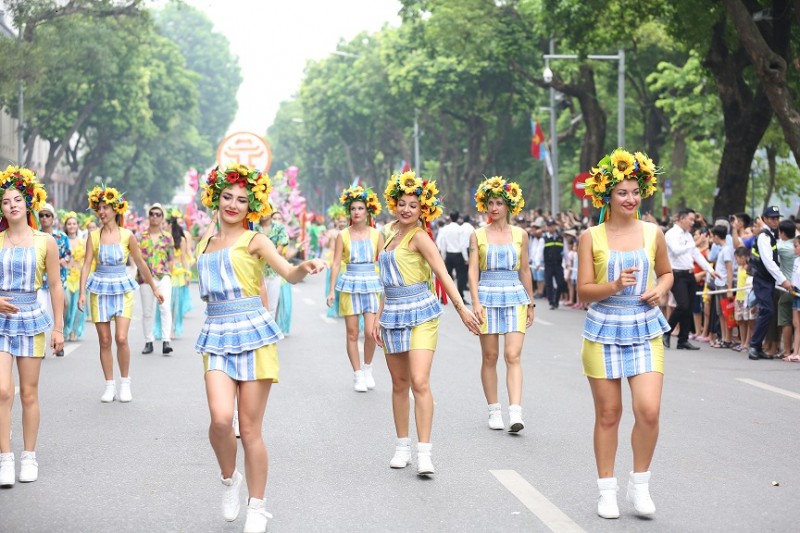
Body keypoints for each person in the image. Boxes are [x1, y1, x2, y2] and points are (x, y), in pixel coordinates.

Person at [196, 163, 325, 532]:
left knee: (249, 429)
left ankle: (257, 505)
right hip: (217, 332)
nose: (233, 204)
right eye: (227, 197)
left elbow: (287, 272)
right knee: (221, 420)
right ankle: (228, 479)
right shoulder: (206, 241)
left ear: (251, 206)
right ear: (215, 199)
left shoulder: (256, 240)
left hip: (252, 332)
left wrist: (305, 266)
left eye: (241, 199)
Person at [577, 149, 673, 519]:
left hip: (645, 325)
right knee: (609, 413)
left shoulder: (654, 232)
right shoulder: (591, 236)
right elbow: (584, 291)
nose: (630, 198)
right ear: (606, 196)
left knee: (648, 411)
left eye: (635, 191)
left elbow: (666, 272)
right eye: (622, 193)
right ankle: (607, 491)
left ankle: (640, 484)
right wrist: (614, 285)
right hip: (603, 326)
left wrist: (661, 289)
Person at [372, 171, 481, 476]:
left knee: (419, 381)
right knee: (398, 384)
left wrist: (462, 310)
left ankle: (424, 452)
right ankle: (402, 446)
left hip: (421, 311)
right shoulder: (386, 234)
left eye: (413, 205)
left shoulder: (420, 236)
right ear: (394, 204)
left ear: (423, 210)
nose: (406, 209)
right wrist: (378, 316)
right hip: (392, 312)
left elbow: (444, 274)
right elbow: (385, 281)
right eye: (402, 203)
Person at [0, 165, 64, 486]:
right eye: (6, 201)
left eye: (17, 200)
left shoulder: (45, 242)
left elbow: (55, 286)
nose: (12, 205)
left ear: (28, 204)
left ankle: (29, 456)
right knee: (1, 390)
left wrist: (58, 328)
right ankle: (5, 458)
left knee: (28, 393)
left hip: (30, 320)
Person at [78, 185, 164, 403]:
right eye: (99, 208)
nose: (102, 211)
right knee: (105, 340)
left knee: (121, 337)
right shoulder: (93, 236)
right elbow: (87, 264)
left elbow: (140, 263)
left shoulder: (127, 235)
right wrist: (81, 293)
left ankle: (125, 382)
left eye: (106, 207)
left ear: (116, 210)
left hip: (122, 288)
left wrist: (154, 287)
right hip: (99, 289)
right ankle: (109, 385)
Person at [468, 176, 534, 432]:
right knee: (490, 355)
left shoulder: (521, 234)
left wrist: (530, 303)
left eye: (499, 203)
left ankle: (515, 412)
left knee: (512, 354)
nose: (494, 208)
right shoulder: (477, 235)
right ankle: (494, 409)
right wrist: (475, 301)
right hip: (486, 295)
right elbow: (473, 270)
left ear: (510, 206)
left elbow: (525, 269)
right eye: (491, 203)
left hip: (515, 295)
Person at [327, 185, 384, 392]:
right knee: (352, 333)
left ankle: (368, 367)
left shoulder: (377, 235)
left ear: (367, 211)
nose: (357, 212)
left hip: (371, 283)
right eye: (353, 209)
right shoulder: (342, 235)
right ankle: (357, 374)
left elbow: (384, 261)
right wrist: (332, 290)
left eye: (360, 208)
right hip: (350, 282)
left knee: (370, 332)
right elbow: (335, 263)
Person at [663, 208, 717, 350]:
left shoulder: (688, 236)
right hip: (676, 274)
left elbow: (696, 254)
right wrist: (696, 242)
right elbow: (676, 250)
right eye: (690, 219)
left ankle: (683, 340)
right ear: (681, 218)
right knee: (682, 304)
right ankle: (666, 331)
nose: (692, 223)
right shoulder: (671, 234)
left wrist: (710, 270)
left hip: (689, 274)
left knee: (689, 308)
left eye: (694, 220)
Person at [748, 206, 794, 360]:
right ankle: (754, 346)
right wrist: (783, 280)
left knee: (767, 311)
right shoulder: (764, 236)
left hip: (767, 280)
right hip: (762, 279)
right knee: (767, 310)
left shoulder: (771, 235)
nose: (775, 221)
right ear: (765, 219)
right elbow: (768, 262)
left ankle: (757, 346)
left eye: (777, 218)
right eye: (772, 218)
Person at [138, 203, 175, 355]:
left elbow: (171, 259)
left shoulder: (167, 237)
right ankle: (149, 341)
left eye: (158, 214)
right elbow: (137, 258)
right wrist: (141, 273)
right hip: (146, 278)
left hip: (162, 276)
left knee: (165, 307)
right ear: (148, 216)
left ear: (162, 218)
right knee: (147, 311)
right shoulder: (141, 237)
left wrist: (170, 275)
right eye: (152, 214)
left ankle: (166, 341)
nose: (154, 217)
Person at [36, 203, 70, 357]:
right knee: (41, 311)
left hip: (57, 280)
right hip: (41, 282)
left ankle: (59, 342)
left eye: (47, 215)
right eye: (41, 215)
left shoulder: (61, 237)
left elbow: (68, 254)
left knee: (58, 311)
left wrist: (62, 260)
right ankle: (41, 347)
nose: (44, 218)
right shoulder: (35, 236)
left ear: (53, 218)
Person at [154, 208, 194, 339]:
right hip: (164, 272)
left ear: (170, 224)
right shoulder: (161, 238)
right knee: (164, 303)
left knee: (175, 304)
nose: (162, 225)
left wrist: (187, 274)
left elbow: (183, 258)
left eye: (164, 223)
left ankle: (172, 329)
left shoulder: (181, 240)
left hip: (177, 275)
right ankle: (162, 328)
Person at [62, 211, 86, 342]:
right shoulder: (62, 240)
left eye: (74, 223)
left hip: (79, 278)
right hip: (66, 277)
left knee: (78, 307)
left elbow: (87, 261)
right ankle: (65, 328)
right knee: (66, 305)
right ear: (65, 226)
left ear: (77, 226)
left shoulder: (83, 242)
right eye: (69, 224)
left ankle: (74, 331)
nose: (71, 226)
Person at [436, 211, 468, 300]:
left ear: (450, 217)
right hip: (459, 255)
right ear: (458, 218)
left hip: (449, 255)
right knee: (460, 276)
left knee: (447, 276)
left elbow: (443, 244)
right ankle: (460, 296)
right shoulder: (460, 229)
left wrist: (443, 257)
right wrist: (466, 258)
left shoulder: (445, 229)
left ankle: (444, 296)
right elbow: (462, 244)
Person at [324, 206, 348, 319]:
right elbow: (330, 247)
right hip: (335, 261)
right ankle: (334, 307)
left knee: (344, 289)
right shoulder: (333, 233)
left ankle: (344, 309)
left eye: (344, 221)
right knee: (335, 286)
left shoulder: (349, 232)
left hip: (346, 262)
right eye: (340, 221)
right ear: (336, 221)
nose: (342, 223)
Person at [542, 218, 565, 310]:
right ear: (547, 227)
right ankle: (552, 302)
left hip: (558, 264)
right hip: (548, 264)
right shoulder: (544, 238)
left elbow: (565, 251)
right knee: (549, 284)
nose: (551, 228)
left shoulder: (560, 238)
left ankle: (557, 299)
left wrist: (566, 262)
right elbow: (539, 251)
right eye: (549, 226)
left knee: (560, 283)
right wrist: (537, 262)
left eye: (553, 226)